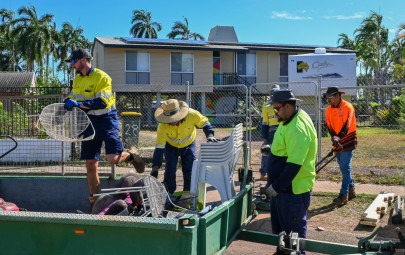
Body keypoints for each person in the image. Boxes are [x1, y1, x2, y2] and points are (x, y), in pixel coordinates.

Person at [63, 48, 144, 208]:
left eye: (73, 61)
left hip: (107, 120)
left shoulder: (102, 77)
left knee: (112, 159)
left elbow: (102, 102)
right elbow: (75, 96)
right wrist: (69, 101)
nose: (72, 65)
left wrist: (78, 104)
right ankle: (94, 202)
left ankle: (131, 155)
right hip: (89, 122)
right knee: (90, 163)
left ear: (82, 60)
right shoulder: (78, 80)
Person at [265, 89, 317, 248]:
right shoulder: (288, 119)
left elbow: (294, 165)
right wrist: (273, 149)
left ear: (288, 106)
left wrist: (276, 186)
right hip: (284, 189)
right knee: (281, 231)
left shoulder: (297, 128)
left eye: (276, 109)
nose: (275, 113)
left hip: (292, 190)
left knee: (293, 234)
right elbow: (288, 146)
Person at [151, 99, 217, 195]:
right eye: (169, 119)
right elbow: (159, 147)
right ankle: (169, 193)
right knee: (170, 169)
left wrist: (210, 135)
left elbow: (204, 122)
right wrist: (155, 167)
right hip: (171, 146)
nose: (171, 122)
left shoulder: (192, 114)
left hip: (189, 145)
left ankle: (188, 194)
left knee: (189, 169)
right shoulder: (162, 126)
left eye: (173, 118)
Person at [325, 86, 357, 206]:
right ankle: (352, 189)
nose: (328, 99)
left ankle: (343, 195)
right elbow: (329, 125)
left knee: (345, 167)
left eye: (330, 97)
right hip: (337, 141)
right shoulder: (328, 110)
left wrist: (339, 136)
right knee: (343, 166)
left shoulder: (347, 106)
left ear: (338, 96)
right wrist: (334, 136)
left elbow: (347, 124)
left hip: (348, 139)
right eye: (327, 97)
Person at [259, 84, 280, 181]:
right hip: (280, 130)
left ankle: (264, 174)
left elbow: (264, 122)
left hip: (272, 130)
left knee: (267, 152)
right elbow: (264, 122)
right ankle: (273, 174)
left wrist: (264, 137)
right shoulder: (283, 103)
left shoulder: (266, 105)